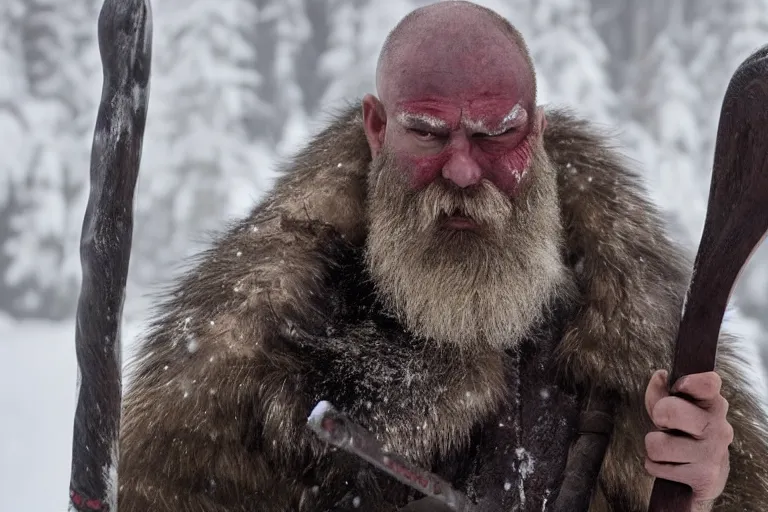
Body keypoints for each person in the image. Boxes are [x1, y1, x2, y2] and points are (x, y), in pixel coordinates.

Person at [118, 2, 768, 511]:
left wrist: (703, 491)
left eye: (495, 133)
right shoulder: (261, 329)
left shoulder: (625, 314)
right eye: (427, 132)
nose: (461, 170)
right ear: (377, 128)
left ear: (535, 131)